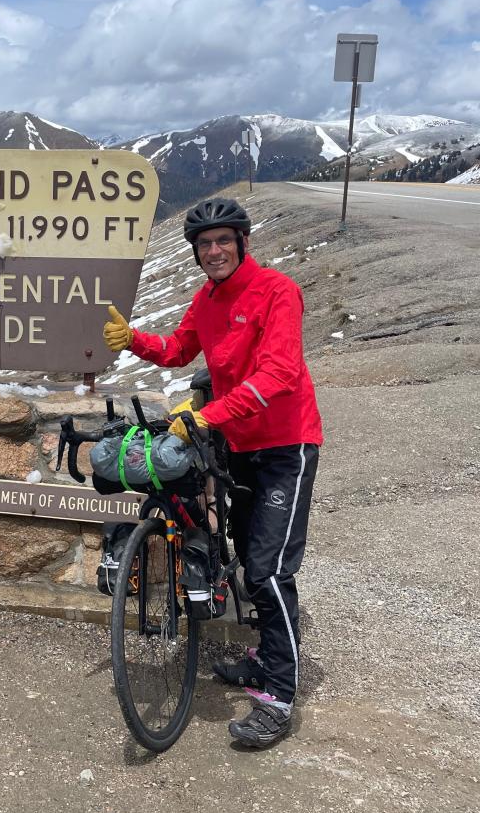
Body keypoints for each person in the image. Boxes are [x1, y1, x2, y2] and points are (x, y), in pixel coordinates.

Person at [102, 196, 322, 749]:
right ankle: (266, 657)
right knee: (250, 560)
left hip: (285, 445)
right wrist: (136, 342)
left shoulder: (276, 291)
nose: (214, 250)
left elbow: (279, 372)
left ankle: (278, 691)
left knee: (270, 571)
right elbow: (180, 350)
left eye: (224, 240)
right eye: (204, 244)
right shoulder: (207, 297)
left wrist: (207, 414)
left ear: (242, 243)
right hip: (238, 449)